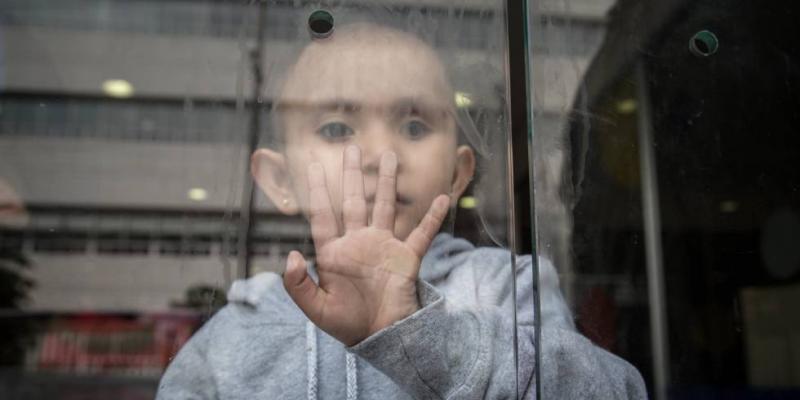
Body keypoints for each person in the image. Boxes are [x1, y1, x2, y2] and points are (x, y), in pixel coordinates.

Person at [157, 23, 646, 399]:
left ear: (457, 176)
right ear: (282, 182)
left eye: (413, 128)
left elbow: (613, 390)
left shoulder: (505, 288)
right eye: (335, 129)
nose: (379, 155)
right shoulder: (243, 325)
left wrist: (424, 336)